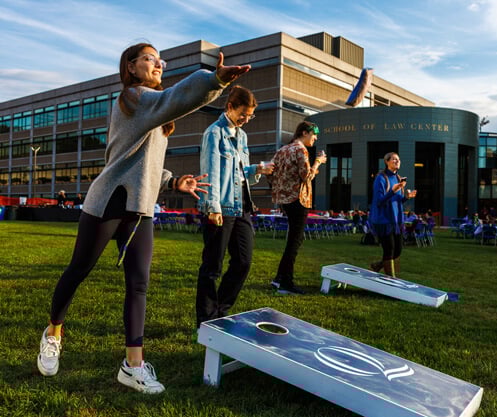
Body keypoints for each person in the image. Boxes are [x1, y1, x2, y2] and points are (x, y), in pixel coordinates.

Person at [36, 42, 250, 394]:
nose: (159, 64)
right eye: (150, 58)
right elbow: (176, 99)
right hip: (107, 204)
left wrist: (172, 181)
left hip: (140, 209)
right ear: (131, 67)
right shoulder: (133, 99)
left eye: (159, 59)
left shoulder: (155, 115)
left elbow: (144, 163)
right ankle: (54, 332)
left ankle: (132, 366)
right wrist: (214, 81)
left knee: (139, 285)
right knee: (78, 270)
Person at [196, 86, 272, 328]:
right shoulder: (213, 133)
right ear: (229, 107)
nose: (246, 119)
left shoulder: (242, 136)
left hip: (242, 207)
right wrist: (213, 207)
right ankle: (206, 319)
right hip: (220, 206)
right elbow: (211, 173)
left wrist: (257, 170)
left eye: (250, 116)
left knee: (243, 261)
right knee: (212, 265)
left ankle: (221, 309)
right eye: (243, 114)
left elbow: (240, 173)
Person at [268, 121, 327, 295]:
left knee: (294, 239)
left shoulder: (282, 150)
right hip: (298, 199)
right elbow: (307, 176)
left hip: (284, 199)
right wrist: (318, 162)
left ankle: (279, 278)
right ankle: (286, 282)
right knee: (295, 240)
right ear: (304, 133)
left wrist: (279, 188)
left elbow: (270, 172)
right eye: (314, 134)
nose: (315, 138)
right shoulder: (301, 150)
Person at [369, 152, 417, 276]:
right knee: (389, 249)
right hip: (383, 220)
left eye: (398, 159)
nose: (397, 161)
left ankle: (377, 265)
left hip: (396, 220)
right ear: (387, 162)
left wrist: (406, 197)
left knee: (398, 250)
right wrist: (393, 190)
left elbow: (397, 200)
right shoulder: (381, 178)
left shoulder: (398, 178)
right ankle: (391, 279)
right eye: (394, 159)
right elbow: (379, 201)